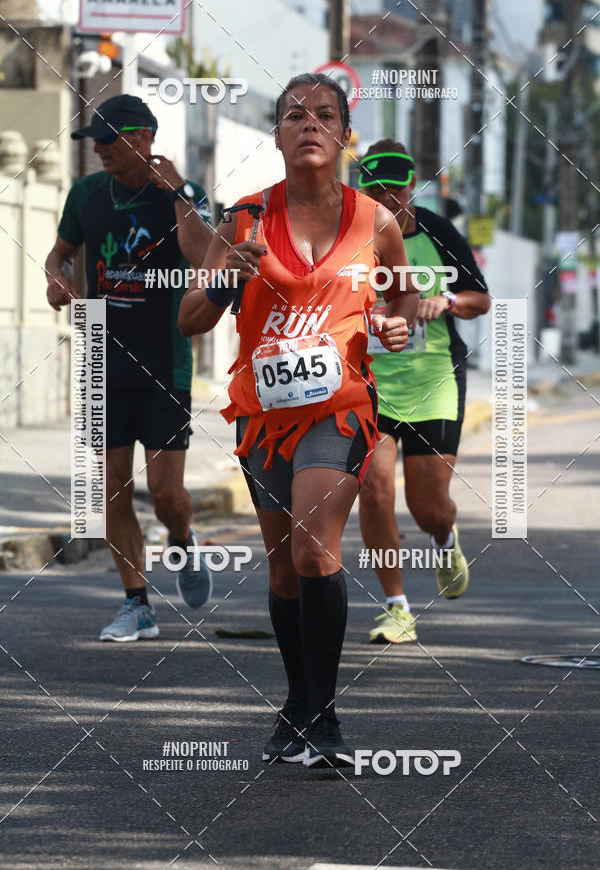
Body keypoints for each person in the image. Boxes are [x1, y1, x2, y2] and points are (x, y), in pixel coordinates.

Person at [179, 75, 418, 768]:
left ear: (346, 135)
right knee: (284, 571)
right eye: (293, 115)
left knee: (316, 547)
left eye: (323, 115)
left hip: (340, 408)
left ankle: (326, 716)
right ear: (278, 135)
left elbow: (400, 302)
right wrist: (229, 276)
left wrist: (394, 329)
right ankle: (296, 702)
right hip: (263, 417)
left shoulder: (376, 220)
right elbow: (191, 318)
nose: (307, 124)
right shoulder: (246, 219)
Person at [45, 94, 214, 642]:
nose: (97, 149)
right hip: (102, 353)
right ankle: (137, 603)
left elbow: (205, 255)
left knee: (166, 492)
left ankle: (183, 540)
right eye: (93, 140)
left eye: (108, 140)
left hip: (165, 359)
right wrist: (56, 276)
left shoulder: (182, 196)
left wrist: (180, 194)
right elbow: (59, 253)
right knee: (112, 487)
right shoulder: (87, 194)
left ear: (143, 139)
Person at [357, 140, 491, 645]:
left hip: (433, 380)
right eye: (376, 190)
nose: (387, 200)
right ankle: (397, 607)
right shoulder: (352, 235)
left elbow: (481, 298)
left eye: (395, 190)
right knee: (374, 491)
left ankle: (443, 537)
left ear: (412, 187)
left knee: (428, 504)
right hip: (371, 382)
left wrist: (447, 300)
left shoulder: (438, 232)